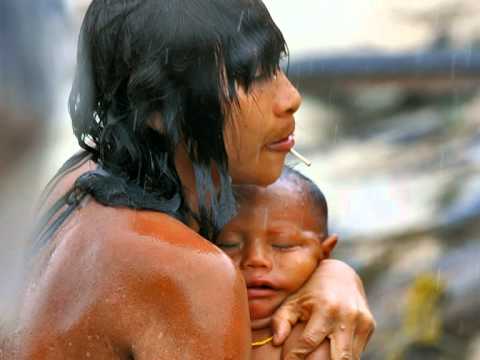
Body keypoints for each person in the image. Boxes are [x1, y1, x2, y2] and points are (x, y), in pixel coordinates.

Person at [3, 0, 375, 359]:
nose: (290, 98)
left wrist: (336, 273)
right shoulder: (190, 273)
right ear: (157, 109)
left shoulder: (78, 180)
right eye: (253, 78)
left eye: (276, 67)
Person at [218, 168, 337, 359]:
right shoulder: (187, 320)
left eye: (284, 245)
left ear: (324, 254)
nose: (255, 259)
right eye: (227, 244)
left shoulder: (311, 340)